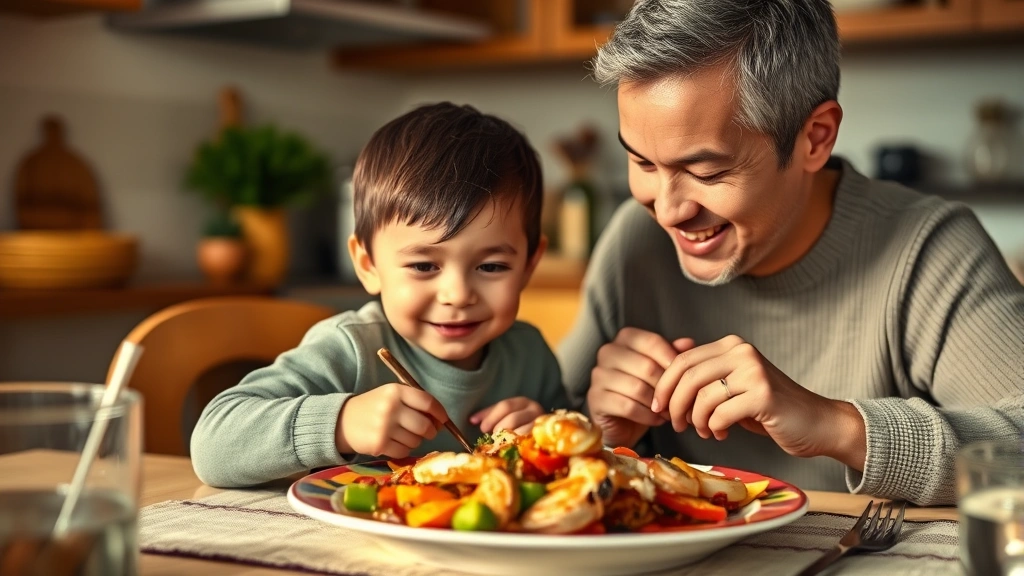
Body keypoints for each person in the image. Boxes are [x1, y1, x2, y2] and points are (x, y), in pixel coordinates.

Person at [561, 0, 1024, 506]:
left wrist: (835, 424)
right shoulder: (637, 240)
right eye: (642, 161)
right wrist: (602, 432)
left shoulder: (930, 251)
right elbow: (527, 440)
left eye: (707, 173)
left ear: (814, 138)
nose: (668, 211)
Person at [192, 102, 568, 488]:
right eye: (424, 266)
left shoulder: (530, 356)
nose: (457, 295)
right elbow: (212, 446)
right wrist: (341, 423)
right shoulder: (350, 349)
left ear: (529, 264)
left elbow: (589, 459)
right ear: (367, 264)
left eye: (491, 267)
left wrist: (546, 436)